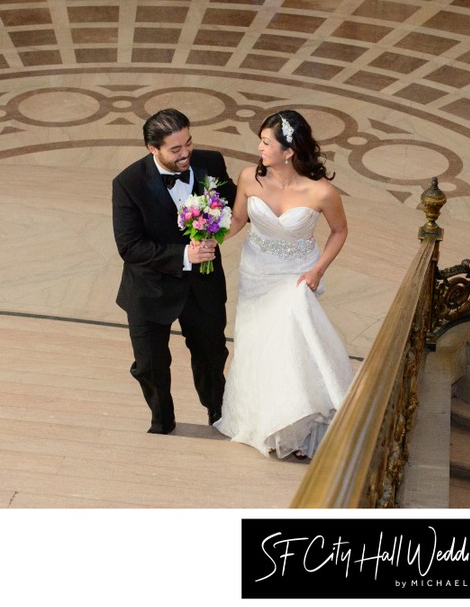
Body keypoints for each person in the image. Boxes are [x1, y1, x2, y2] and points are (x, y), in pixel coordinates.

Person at [213, 110, 355, 460]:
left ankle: (298, 424)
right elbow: (237, 220)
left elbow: (340, 231)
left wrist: (318, 271)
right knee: (257, 347)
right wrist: (209, 237)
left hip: (296, 276)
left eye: (266, 142)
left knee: (289, 347)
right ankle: (266, 422)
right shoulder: (248, 178)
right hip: (256, 274)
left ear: (288, 151)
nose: (259, 147)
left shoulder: (322, 192)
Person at [112, 108, 237, 434]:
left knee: (212, 356)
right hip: (149, 289)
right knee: (149, 365)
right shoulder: (128, 183)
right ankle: (162, 419)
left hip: (204, 286)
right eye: (176, 149)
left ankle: (220, 416)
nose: (186, 154)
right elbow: (129, 247)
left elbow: (234, 203)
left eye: (189, 143)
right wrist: (184, 254)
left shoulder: (211, 163)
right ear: (153, 149)